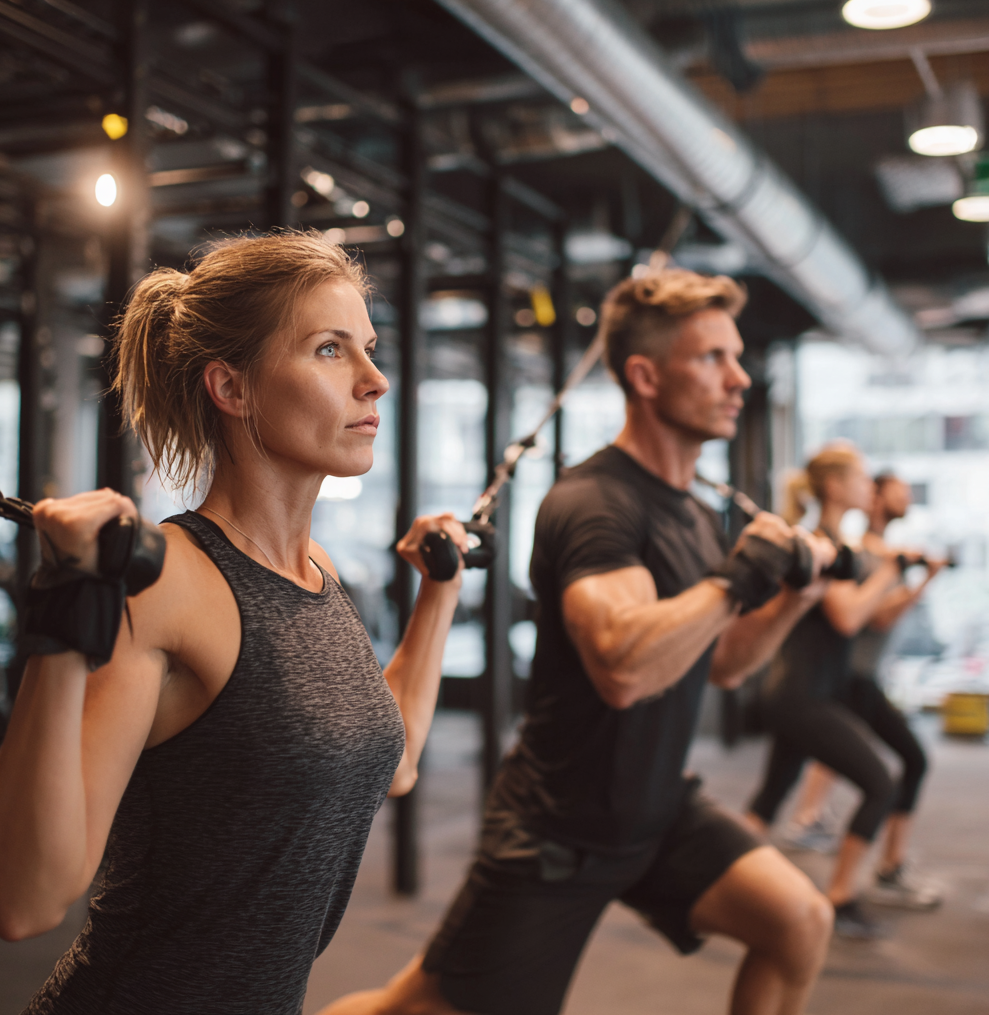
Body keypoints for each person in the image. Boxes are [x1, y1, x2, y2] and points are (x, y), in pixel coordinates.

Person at [0, 231, 469, 1015]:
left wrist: (439, 592)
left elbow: (388, 763)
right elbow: (23, 902)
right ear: (231, 389)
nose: (375, 381)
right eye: (331, 350)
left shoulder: (318, 575)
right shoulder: (169, 585)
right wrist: (66, 611)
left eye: (369, 349)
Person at [317, 268, 836, 1015]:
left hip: (656, 810)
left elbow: (720, 661)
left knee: (797, 922)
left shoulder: (691, 510)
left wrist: (792, 597)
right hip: (558, 833)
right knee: (418, 1006)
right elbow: (624, 667)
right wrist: (737, 583)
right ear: (645, 376)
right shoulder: (594, 504)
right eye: (713, 358)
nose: (740, 379)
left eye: (737, 356)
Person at [745, 449, 943, 941]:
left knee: (767, 803)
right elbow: (848, 616)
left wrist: (903, 572)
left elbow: (870, 615)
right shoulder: (819, 543)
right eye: (859, 477)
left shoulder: (845, 547)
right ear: (834, 487)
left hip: (812, 694)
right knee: (880, 783)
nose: (867, 485)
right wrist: (891, 570)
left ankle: (706, 880)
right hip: (799, 696)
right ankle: (841, 896)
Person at [780, 473, 943, 858]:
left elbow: (880, 610)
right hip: (844, 678)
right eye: (896, 492)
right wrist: (899, 571)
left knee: (789, 780)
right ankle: (864, 873)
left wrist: (917, 579)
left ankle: (814, 823)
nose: (906, 498)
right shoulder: (851, 550)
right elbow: (858, 618)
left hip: (846, 680)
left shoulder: (875, 551)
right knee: (891, 774)